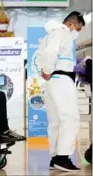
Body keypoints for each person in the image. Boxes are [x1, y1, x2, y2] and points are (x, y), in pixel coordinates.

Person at [35, 11, 85, 172]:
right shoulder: (61, 33)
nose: (77, 32)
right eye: (78, 28)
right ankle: (63, 158)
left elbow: (40, 56)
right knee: (71, 118)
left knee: (56, 120)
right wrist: (48, 70)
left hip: (52, 81)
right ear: (70, 24)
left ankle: (55, 157)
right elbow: (51, 53)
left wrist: (46, 71)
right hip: (61, 79)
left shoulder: (49, 35)